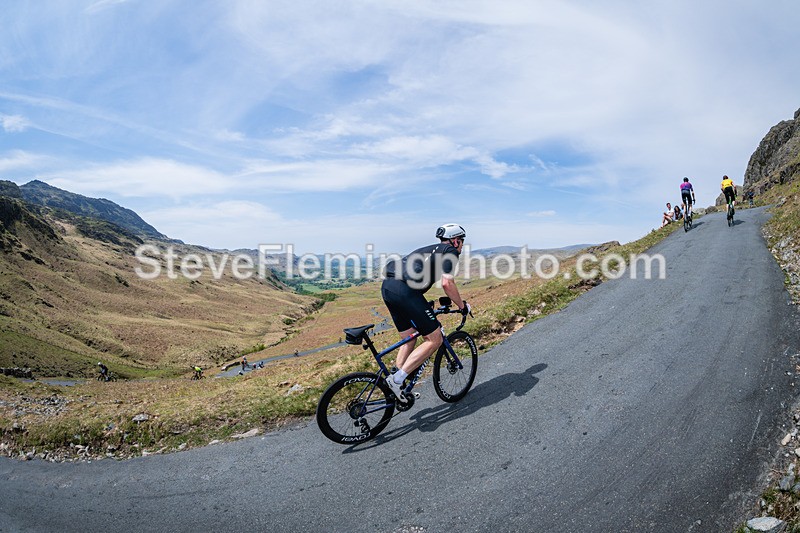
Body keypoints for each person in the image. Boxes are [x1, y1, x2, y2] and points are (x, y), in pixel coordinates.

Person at [381, 224, 471, 403]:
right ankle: (397, 380)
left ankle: (396, 383)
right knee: (434, 339)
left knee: (410, 337)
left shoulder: (430, 250)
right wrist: (462, 306)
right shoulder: (449, 252)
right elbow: (447, 283)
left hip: (388, 288)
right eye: (461, 241)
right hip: (405, 291)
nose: (461, 246)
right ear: (455, 241)